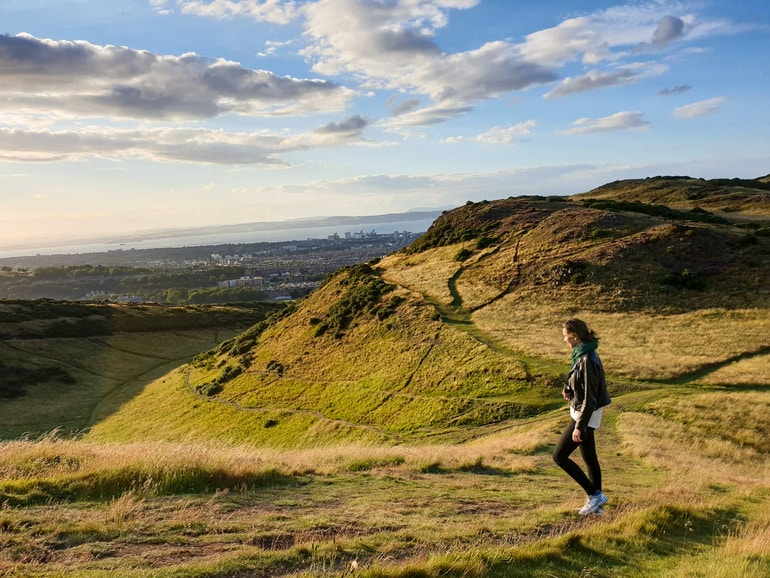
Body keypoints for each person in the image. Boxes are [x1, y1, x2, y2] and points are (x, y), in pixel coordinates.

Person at [553, 318, 611, 515]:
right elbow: (580, 381)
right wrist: (568, 388)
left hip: (585, 413)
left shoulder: (587, 358)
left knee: (559, 456)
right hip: (582, 411)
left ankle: (594, 495)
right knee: (589, 457)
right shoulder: (582, 353)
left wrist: (580, 426)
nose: (565, 340)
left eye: (566, 337)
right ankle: (596, 507)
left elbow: (591, 397)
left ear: (575, 336)